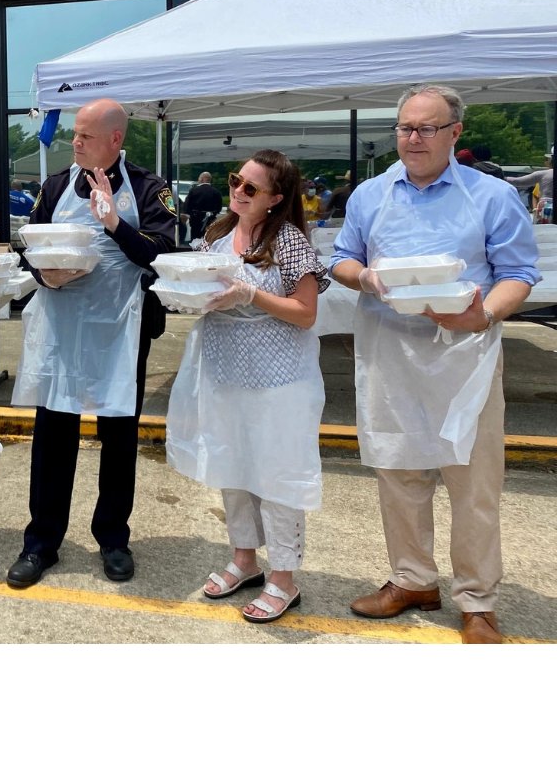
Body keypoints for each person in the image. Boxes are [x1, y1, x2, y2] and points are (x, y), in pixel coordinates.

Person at [330, 84, 539, 644]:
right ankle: (412, 579)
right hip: (389, 352)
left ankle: (477, 600)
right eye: (404, 127)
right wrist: (364, 276)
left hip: (463, 356)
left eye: (425, 128)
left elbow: (519, 272)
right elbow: (343, 259)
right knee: (399, 473)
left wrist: (484, 316)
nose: (412, 138)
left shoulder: (491, 196)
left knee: (473, 483)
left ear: (455, 132)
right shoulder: (370, 196)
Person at [7, 98, 175, 587]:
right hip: (62, 326)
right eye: (75, 135)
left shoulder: (148, 188)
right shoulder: (57, 185)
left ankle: (114, 539)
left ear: (115, 140)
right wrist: (46, 274)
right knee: (52, 438)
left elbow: (162, 254)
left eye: (84, 136)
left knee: (118, 439)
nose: (74, 142)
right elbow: (28, 245)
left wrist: (114, 225)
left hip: (119, 329)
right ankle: (41, 543)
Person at [166, 151, 329, 622]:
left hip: (280, 377)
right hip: (224, 371)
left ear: (276, 199)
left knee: (277, 473)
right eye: (237, 180)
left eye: (251, 188)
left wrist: (251, 294)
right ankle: (244, 559)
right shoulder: (217, 234)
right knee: (231, 465)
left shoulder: (291, 242)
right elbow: (198, 288)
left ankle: (285, 576)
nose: (238, 190)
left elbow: (306, 313)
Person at [182, 171, 223, 243]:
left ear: (201, 179)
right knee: (208, 238)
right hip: (210, 219)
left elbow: (187, 205)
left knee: (195, 238)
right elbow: (219, 207)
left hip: (196, 218)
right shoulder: (216, 192)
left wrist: (189, 213)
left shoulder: (194, 191)